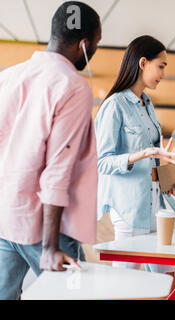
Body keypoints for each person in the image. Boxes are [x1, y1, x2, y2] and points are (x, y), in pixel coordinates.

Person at [0, 2, 102, 299]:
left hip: (6, 218)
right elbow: (58, 170)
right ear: (85, 43)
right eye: (96, 42)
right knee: (73, 296)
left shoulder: (9, 76)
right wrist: (50, 247)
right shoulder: (72, 85)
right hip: (46, 229)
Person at [95, 35, 175, 278]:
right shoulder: (114, 105)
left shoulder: (147, 102)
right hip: (129, 210)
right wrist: (144, 153)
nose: (163, 74)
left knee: (167, 280)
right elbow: (103, 162)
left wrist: (169, 178)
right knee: (126, 285)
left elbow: (153, 155)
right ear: (143, 62)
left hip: (155, 206)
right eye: (161, 66)